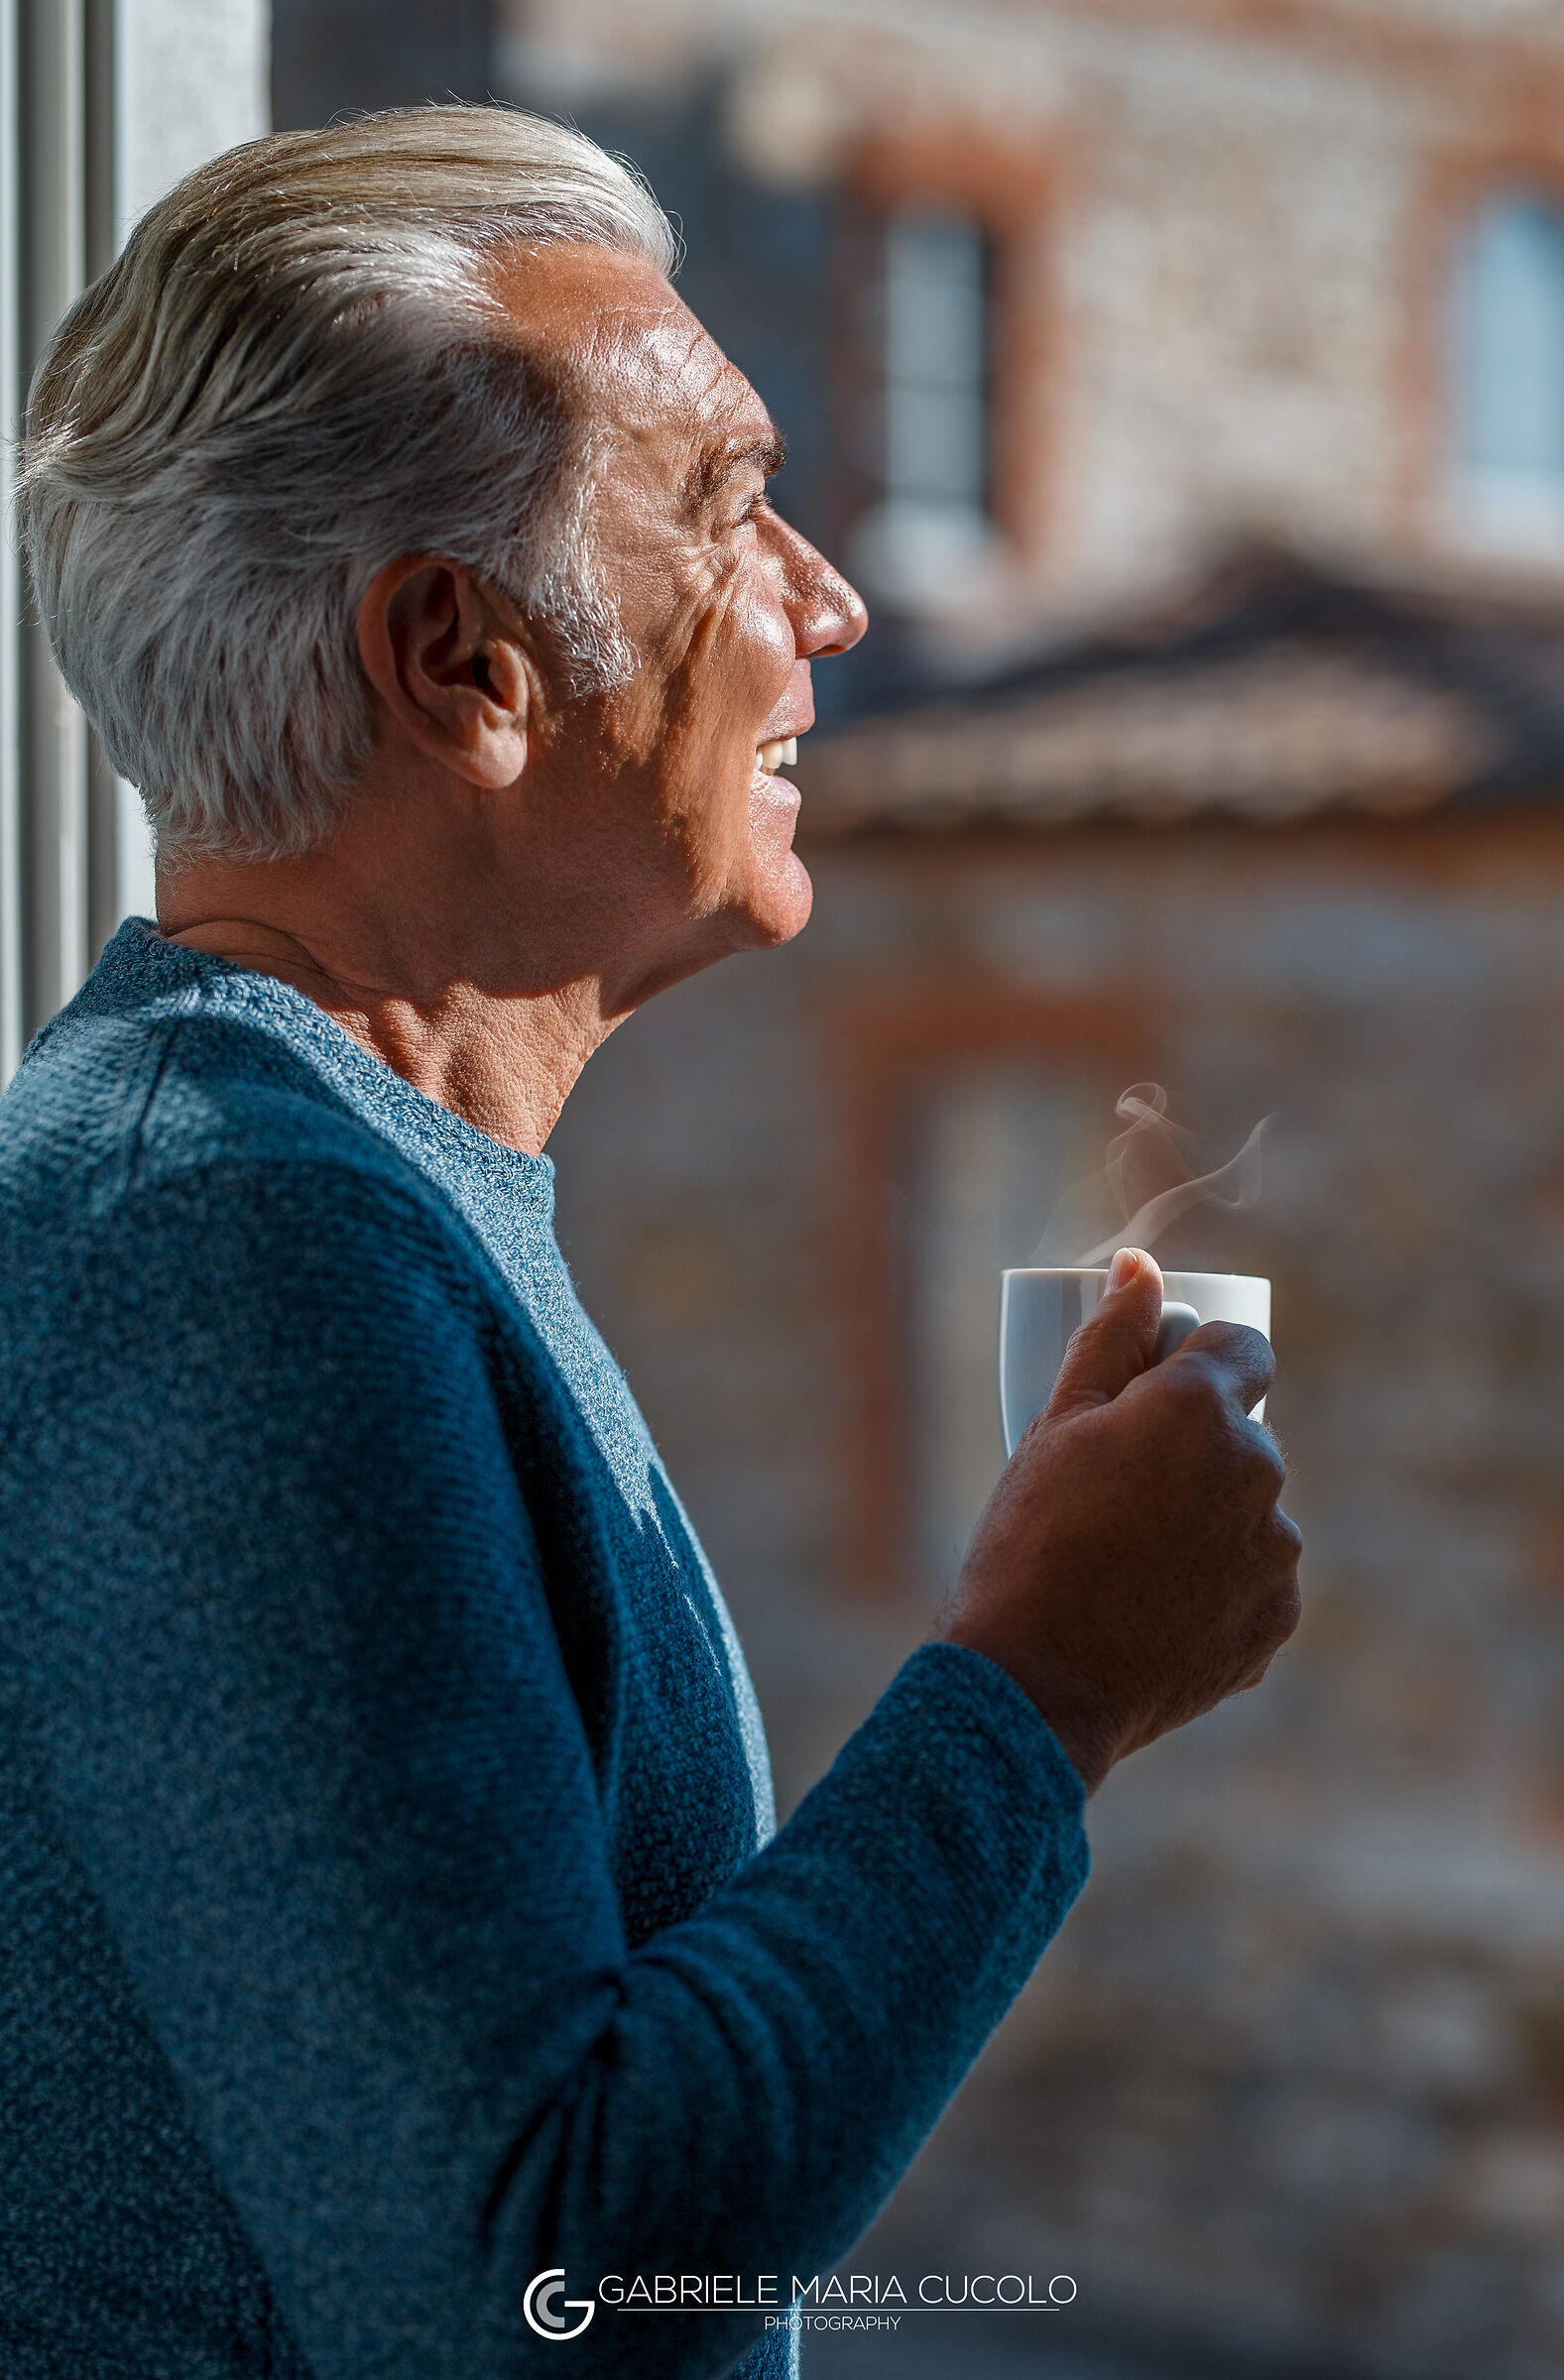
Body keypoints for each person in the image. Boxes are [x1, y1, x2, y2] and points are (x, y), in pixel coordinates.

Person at [4, 107, 1300, 2380]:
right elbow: (535, 2280)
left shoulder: (328, 1191)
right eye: (724, 503)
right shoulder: (227, 1243)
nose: (829, 600)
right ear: (464, 664)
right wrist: (1042, 1690)